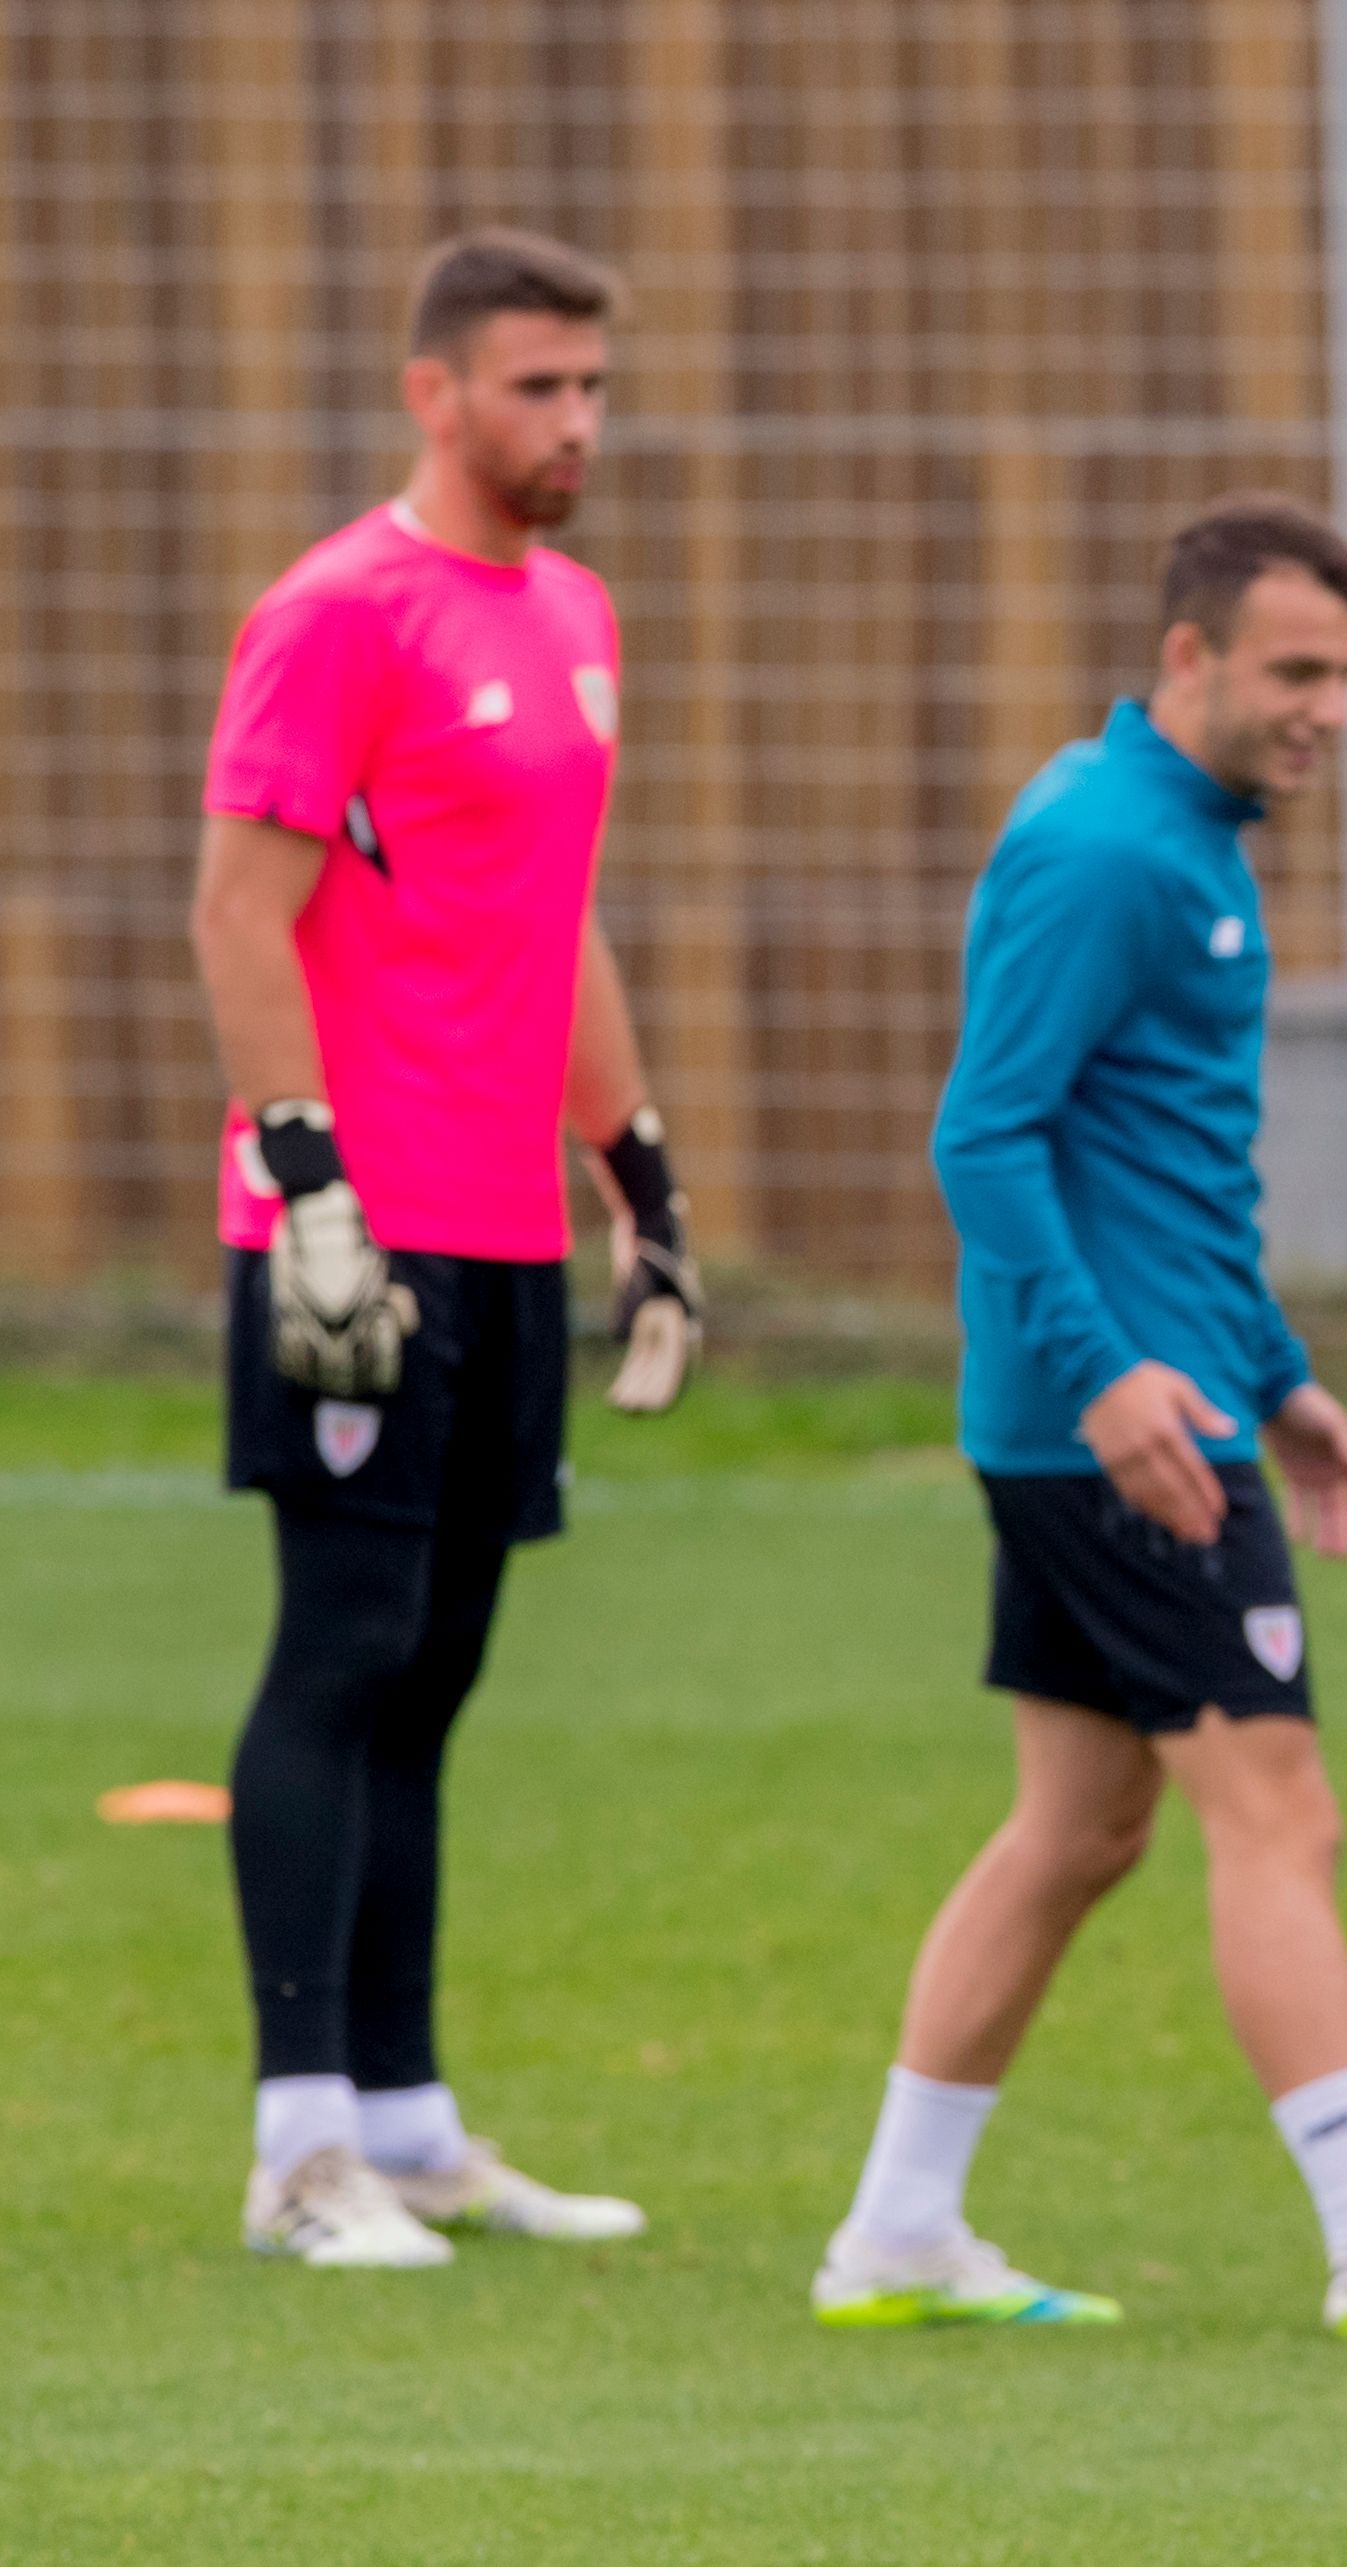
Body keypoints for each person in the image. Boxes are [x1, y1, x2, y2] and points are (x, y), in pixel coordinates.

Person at [808, 498, 1347, 2340]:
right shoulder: (1105, 849)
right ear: (1185, 656)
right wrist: (1115, 1381)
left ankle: (896, 2230)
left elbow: (1162, 1167)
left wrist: (1279, 1371)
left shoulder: (1190, 836)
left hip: (1164, 1397)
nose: (1327, 709)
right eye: (1292, 671)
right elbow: (985, 1136)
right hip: (1123, 1431)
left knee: (1077, 1829)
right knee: (1281, 1809)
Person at [192, 229, 700, 2271]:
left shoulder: (572, 609)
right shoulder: (336, 610)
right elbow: (239, 906)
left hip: (498, 1227)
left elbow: (548, 908)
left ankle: (403, 2121)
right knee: (339, 1649)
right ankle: (295, 2144)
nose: (572, 423)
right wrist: (304, 1180)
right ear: (433, 392)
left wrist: (638, 1173)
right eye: (533, 387)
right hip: (358, 1228)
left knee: (442, 1665)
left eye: (590, 385)